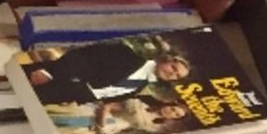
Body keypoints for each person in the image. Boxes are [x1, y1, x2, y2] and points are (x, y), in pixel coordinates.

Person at [26, 42, 192, 106]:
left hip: (67, 94)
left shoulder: (140, 87)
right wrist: (49, 72)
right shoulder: (125, 53)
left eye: (177, 76)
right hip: (52, 76)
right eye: (173, 68)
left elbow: (105, 95)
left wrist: (78, 99)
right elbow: (81, 56)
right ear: (166, 60)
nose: (172, 74)